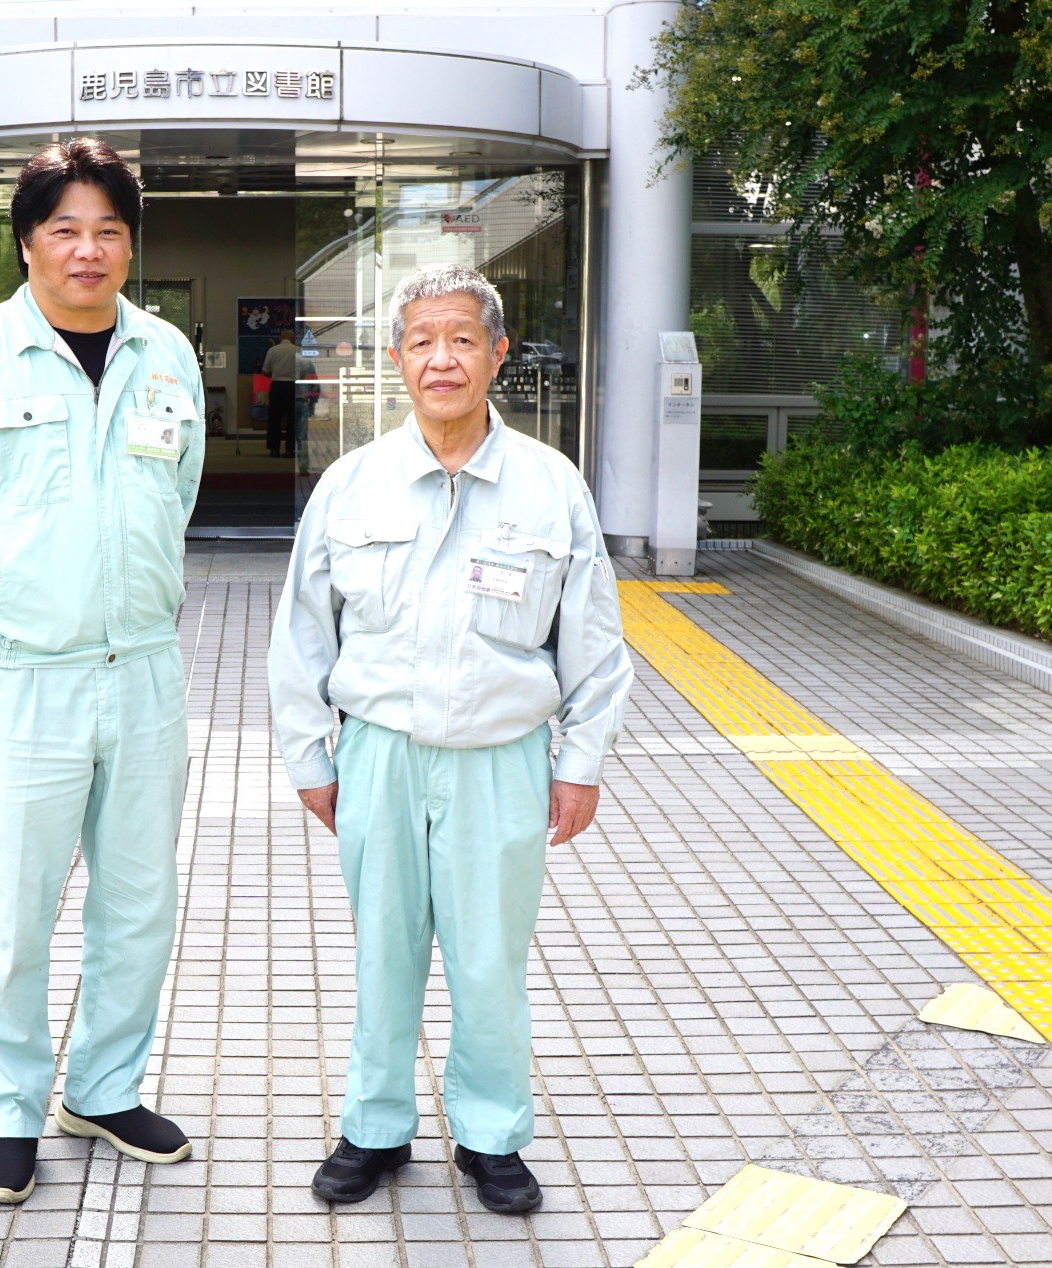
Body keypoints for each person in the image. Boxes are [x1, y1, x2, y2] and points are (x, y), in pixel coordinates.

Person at [267, 264, 633, 1214]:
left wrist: (581, 762)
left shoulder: (551, 488)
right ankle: (375, 1130)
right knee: (382, 951)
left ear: (497, 354)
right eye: (423, 341)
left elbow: (594, 640)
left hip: (501, 760)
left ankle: (492, 1135)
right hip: (378, 753)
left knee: (488, 957)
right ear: (397, 359)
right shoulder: (350, 485)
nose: (443, 359)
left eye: (463, 339)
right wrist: (311, 756)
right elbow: (303, 631)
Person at [0, 138, 205, 1205]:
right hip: (23, 679)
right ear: (25, 241)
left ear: (130, 244)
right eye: (64, 228)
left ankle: (104, 1087)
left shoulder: (166, 354)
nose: (87, 249)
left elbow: (180, 494)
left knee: (137, 899)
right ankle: (4, 1109)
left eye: (108, 230)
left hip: (146, 671)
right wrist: (0, 620)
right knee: (15, 907)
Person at [261, 332, 304, 457]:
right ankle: (289, 449)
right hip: (293, 387)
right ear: (292, 339)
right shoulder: (298, 350)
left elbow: (265, 371)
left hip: (277, 387)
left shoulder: (272, 350)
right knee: (292, 419)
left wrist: (275, 374)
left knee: (275, 419)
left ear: (281, 338)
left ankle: (274, 449)